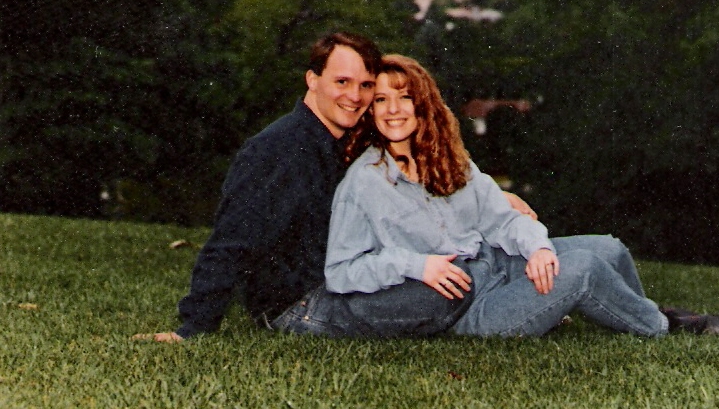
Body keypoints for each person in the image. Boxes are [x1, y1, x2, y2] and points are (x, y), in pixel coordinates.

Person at [134, 32, 529, 342]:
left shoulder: (344, 139)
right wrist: (194, 326)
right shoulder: (280, 149)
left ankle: (502, 290)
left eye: (364, 86)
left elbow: (414, 183)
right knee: (447, 288)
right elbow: (231, 240)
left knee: (456, 270)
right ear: (313, 79)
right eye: (342, 81)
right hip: (300, 304)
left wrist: (491, 196)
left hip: (350, 280)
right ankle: (497, 300)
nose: (355, 97)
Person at [324, 54, 719, 337]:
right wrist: (415, 265)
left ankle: (630, 314)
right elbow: (341, 271)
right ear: (370, 111)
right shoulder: (364, 183)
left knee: (608, 248)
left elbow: (502, 221)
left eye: (404, 97)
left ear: (423, 105)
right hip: (470, 311)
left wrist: (538, 249)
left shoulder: (449, 160)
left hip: (499, 266)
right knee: (583, 271)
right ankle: (660, 326)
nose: (393, 109)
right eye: (381, 99)